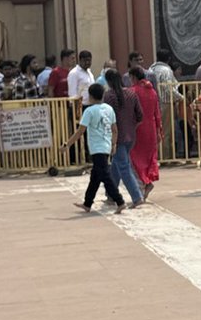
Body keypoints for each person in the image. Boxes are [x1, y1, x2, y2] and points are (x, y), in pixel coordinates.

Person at [64, 83, 124, 214]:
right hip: (106, 145)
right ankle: (87, 203)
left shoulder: (89, 111)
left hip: (97, 148)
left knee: (105, 176)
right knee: (95, 177)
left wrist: (67, 144)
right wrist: (114, 144)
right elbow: (115, 130)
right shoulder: (109, 109)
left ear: (90, 96)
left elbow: (80, 131)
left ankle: (119, 201)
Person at [103, 68, 145, 206]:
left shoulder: (109, 96)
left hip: (117, 137)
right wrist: (131, 126)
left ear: (108, 81)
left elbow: (106, 118)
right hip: (131, 136)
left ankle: (137, 197)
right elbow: (140, 115)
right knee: (116, 165)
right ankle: (111, 194)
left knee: (123, 167)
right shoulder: (131, 93)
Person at [129, 67, 163, 198]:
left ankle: (143, 185)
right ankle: (146, 182)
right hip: (151, 128)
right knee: (149, 158)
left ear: (133, 77)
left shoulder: (132, 92)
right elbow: (157, 113)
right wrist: (159, 130)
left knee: (135, 158)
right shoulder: (152, 91)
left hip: (138, 129)